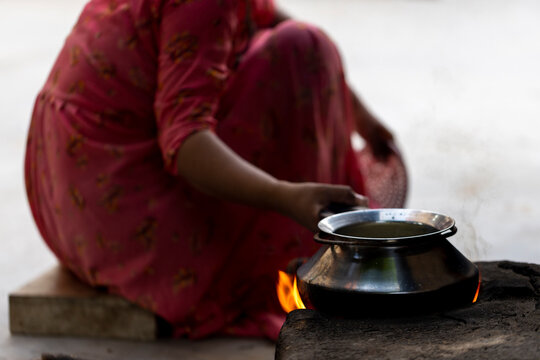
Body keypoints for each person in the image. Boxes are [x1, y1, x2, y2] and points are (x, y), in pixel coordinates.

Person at [24, 0, 399, 340]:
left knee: (301, 42)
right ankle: (294, 269)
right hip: (122, 216)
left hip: (65, 199)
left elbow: (264, 15)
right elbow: (186, 143)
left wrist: (360, 115)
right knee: (303, 51)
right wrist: (285, 196)